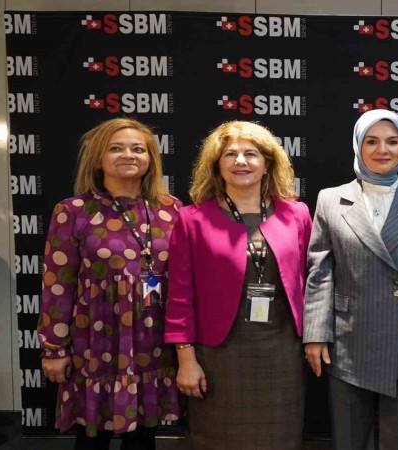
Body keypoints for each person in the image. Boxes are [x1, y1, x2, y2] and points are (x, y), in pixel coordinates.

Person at [304, 109, 398, 450]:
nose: (382, 150)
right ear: (358, 145)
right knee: (349, 440)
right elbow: (320, 273)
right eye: (371, 141)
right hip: (348, 340)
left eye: (392, 142)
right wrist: (315, 334)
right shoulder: (330, 199)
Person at [164, 121, 311, 450]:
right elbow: (180, 295)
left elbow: (311, 283)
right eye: (230, 154)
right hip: (218, 354)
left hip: (282, 353)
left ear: (267, 163)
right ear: (217, 164)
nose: (240, 161)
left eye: (251, 154)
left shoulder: (297, 214)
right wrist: (186, 359)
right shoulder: (192, 219)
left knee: (279, 438)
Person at [38, 118, 181, 449]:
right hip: (96, 341)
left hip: (152, 339)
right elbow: (57, 286)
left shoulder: (171, 209)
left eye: (138, 149)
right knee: (92, 437)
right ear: (98, 158)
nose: (128, 155)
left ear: (150, 159)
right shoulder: (73, 211)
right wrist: (54, 349)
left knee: (144, 435)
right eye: (116, 148)